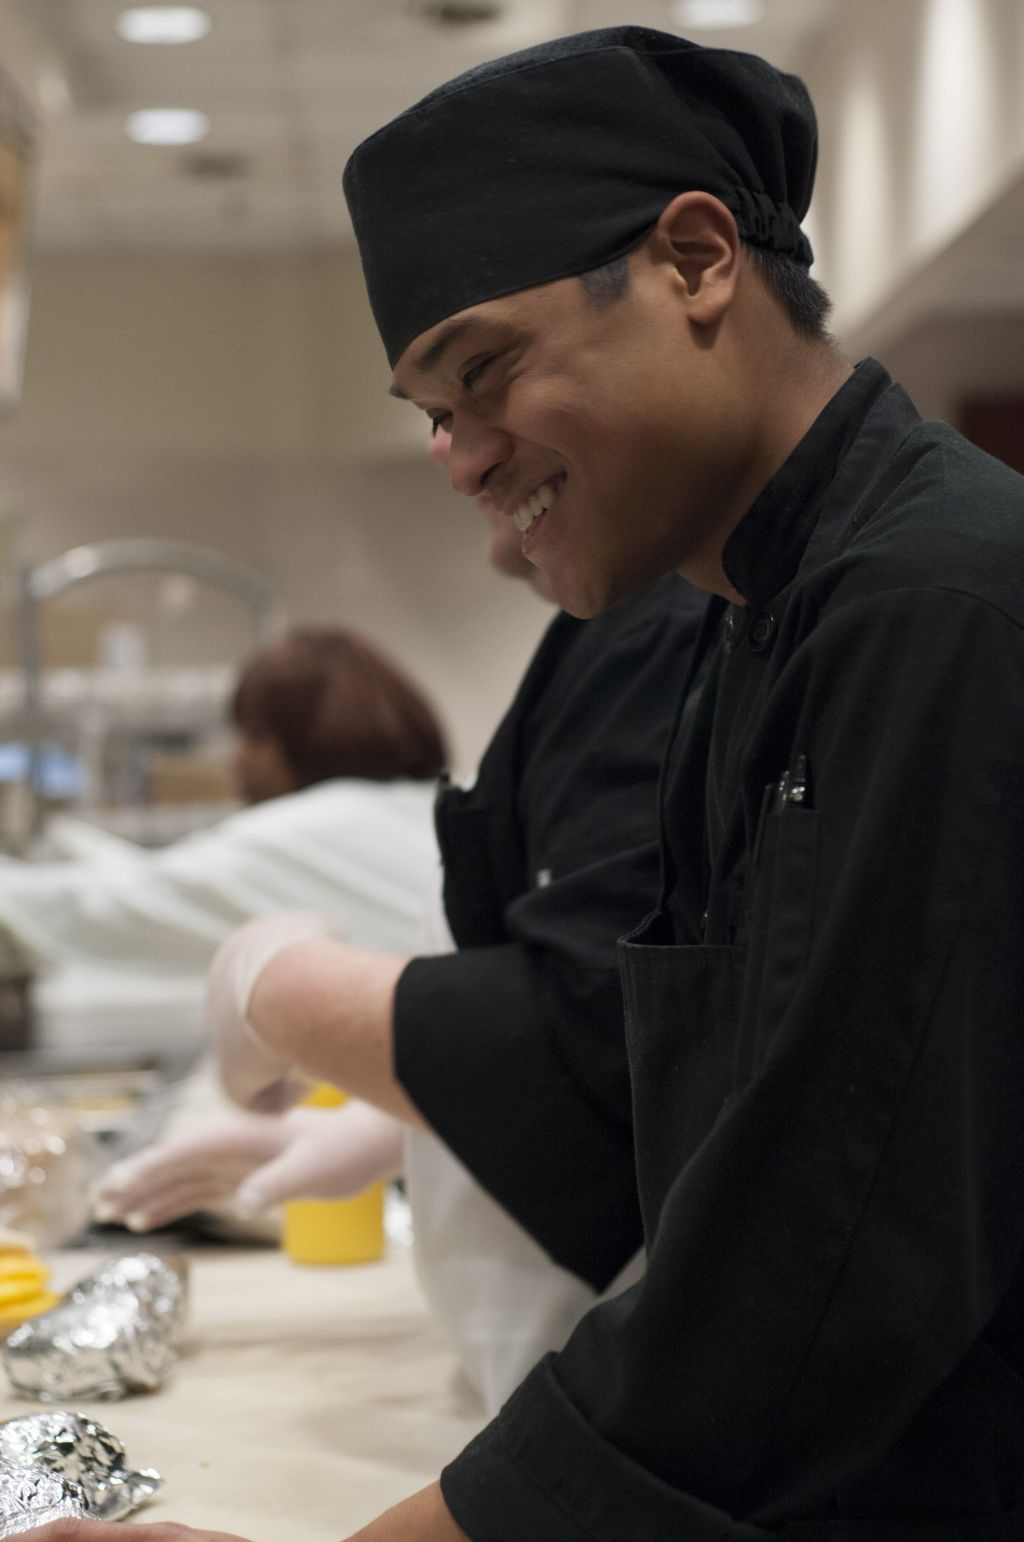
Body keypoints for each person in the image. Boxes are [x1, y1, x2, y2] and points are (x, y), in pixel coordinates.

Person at [28, 19, 1024, 1542]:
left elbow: (811, 1278)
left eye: (484, 370)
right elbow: (733, 1145)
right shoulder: (750, 630)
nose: (458, 458)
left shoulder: (931, 605)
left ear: (697, 260)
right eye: (433, 413)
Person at [95, 428, 707, 1410]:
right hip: (541, 1375)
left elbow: (601, 1042)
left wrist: (274, 985)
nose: (449, 452)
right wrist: (391, 1127)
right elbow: (625, 1007)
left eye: (478, 376)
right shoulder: (603, 642)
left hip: (605, 1394)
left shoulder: (669, 632)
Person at [0, 626, 446, 974]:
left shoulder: (306, 831)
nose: (237, 758)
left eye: (253, 737)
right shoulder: (437, 806)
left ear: (309, 740)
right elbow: (167, 882)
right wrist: (73, 841)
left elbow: (120, 906)